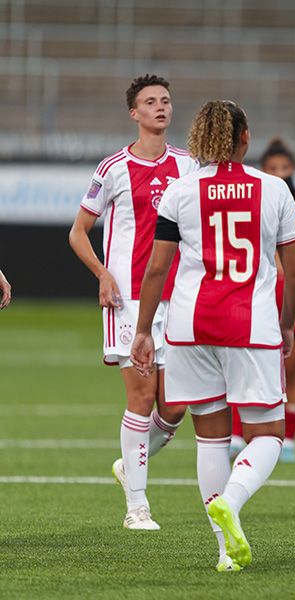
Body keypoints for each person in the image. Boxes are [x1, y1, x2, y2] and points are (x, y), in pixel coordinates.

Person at [130, 100, 295, 572]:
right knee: (268, 433)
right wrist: (287, 324)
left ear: (198, 140)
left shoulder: (179, 191)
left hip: (189, 326)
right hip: (250, 326)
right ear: (245, 138)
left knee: (210, 438)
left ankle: (226, 552)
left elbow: (156, 269)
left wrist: (144, 329)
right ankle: (234, 498)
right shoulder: (273, 190)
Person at [68, 74, 198, 530]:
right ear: (134, 113)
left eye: (165, 100)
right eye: (150, 102)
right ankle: (137, 506)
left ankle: (129, 464)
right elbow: (78, 233)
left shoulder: (188, 165)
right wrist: (103, 274)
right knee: (142, 397)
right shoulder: (113, 168)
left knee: (177, 405)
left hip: (178, 298)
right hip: (128, 300)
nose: (160, 107)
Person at [229, 137, 295, 463]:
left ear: (294, 169)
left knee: (294, 365)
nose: (279, 173)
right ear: (263, 170)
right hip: (262, 285)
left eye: (285, 168)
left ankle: (288, 438)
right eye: (272, 168)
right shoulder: (255, 196)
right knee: (248, 361)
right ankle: (238, 432)